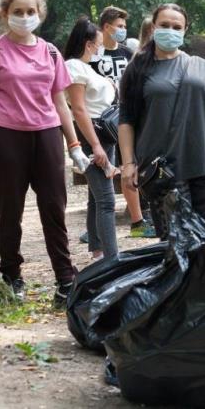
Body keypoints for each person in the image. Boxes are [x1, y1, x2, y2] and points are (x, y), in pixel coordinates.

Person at [0, 0, 90, 306]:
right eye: (18, 11)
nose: (25, 17)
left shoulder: (51, 53)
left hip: (47, 135)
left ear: (40, 12)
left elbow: (60, 102)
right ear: (5, 13)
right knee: (11, 212)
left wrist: (75, 145)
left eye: (30, 11)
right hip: (9, 138)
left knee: (55, 208)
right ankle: (12, 275)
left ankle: (65, 280)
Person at [119, 3, 205, 233]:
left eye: (177, 26)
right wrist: (128, 163)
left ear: (184, 31)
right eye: (164, 25)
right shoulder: (137, 68)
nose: (170, 30)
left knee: (201, 240)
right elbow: (126, 118)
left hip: (204, 164)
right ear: (153, 27)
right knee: (173, 241)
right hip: (161, 169)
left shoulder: (201, 66)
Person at [94, 6, 154, 238]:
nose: (122, 30)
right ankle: (96, 229)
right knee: (105, 174)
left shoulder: (128, 54)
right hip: (101, 123)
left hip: (128, 119)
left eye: (124, 27)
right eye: (119, 26)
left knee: (132, 167)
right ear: (106, 27)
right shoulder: (93, 56)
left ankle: (138, 220)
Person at [63, 17, 118, 261]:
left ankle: (98, 250)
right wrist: (95, 146)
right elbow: (78, 109)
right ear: (88, 44)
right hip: (92, 136)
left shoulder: (87, 67)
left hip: (105, 135)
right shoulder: (74, 67)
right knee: (106, 201)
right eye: (97, 43)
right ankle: (111, 257)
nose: (100, 47)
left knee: (96, 198)